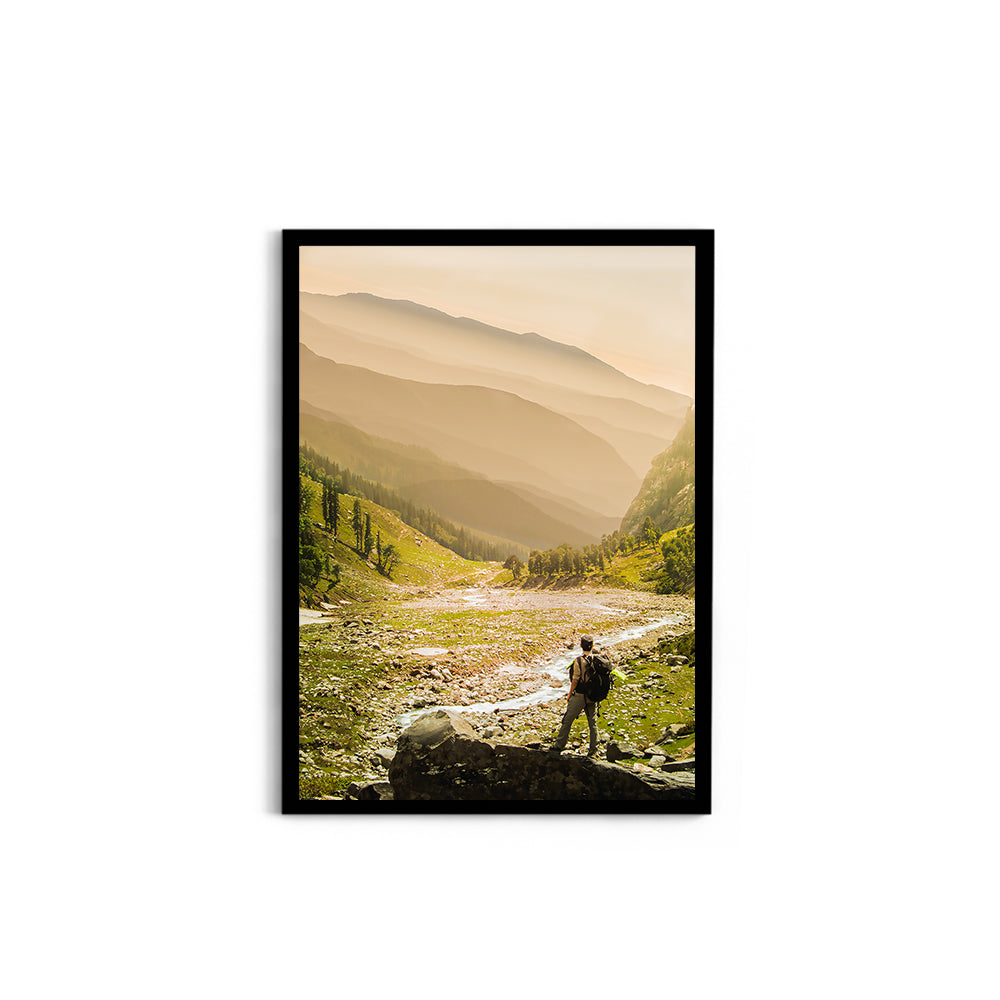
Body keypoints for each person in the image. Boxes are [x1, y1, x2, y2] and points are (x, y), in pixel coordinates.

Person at [548, 635, 599, 756]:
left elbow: (575, 679)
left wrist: (570, 694)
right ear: (592, 646)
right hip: (593, 695)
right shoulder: (597, 660)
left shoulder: (578, 660)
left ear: (581, 646)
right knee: (593, 722)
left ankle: (559, 745)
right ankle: (594, 749)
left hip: (580, 695)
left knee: (567, 720)